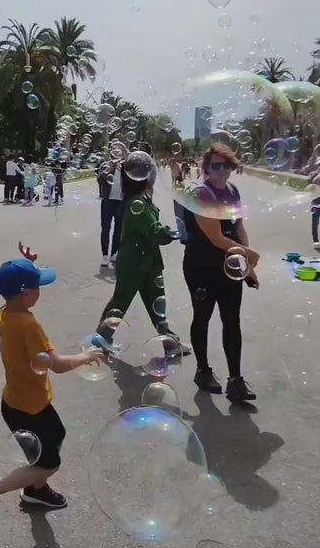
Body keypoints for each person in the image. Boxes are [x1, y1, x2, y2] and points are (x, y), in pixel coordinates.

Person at [0, 242, 103, 536]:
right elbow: (58, 365)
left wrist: (27, 266)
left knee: (57, 435)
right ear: (26, 293)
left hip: (19, 402)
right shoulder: (28, 325)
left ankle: (34, 490)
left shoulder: (5, 312)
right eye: (37, 286)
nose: (41, 291)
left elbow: (15, 286)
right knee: (49, 464)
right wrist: (86, 356)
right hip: (28, 409)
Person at [182, 143, 260, 401]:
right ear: (206, 167)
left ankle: (235, 380)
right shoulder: (201, 194)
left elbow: (238, 227)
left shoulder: (232, 190)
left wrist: (247, 264)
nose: (222, 170)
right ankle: (202, 370)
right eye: (216, 165)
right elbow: (216, 238)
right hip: (201, 265)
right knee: (202, 316)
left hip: (229, 263)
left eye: (227, 165)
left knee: (231, 320)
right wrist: (248, 254)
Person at [97, 163, 190, 354]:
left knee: (157, 304)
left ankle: (170, 343)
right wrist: (174, 233)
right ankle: (101, 340)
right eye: (151, 172)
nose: (155, 175)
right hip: (134, 262)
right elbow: (154, 231)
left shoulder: (142, 199)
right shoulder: (136, 202)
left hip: (147, 260)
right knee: (120, 302)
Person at [97, 161, 124, 267]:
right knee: (105, 228)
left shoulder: (127, 166)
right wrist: (106, 172)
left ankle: (114, 253)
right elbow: (99, 179)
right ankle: (104, 255)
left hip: (121, 202)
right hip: (108, 201)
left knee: (118, 228)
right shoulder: (107, 165)